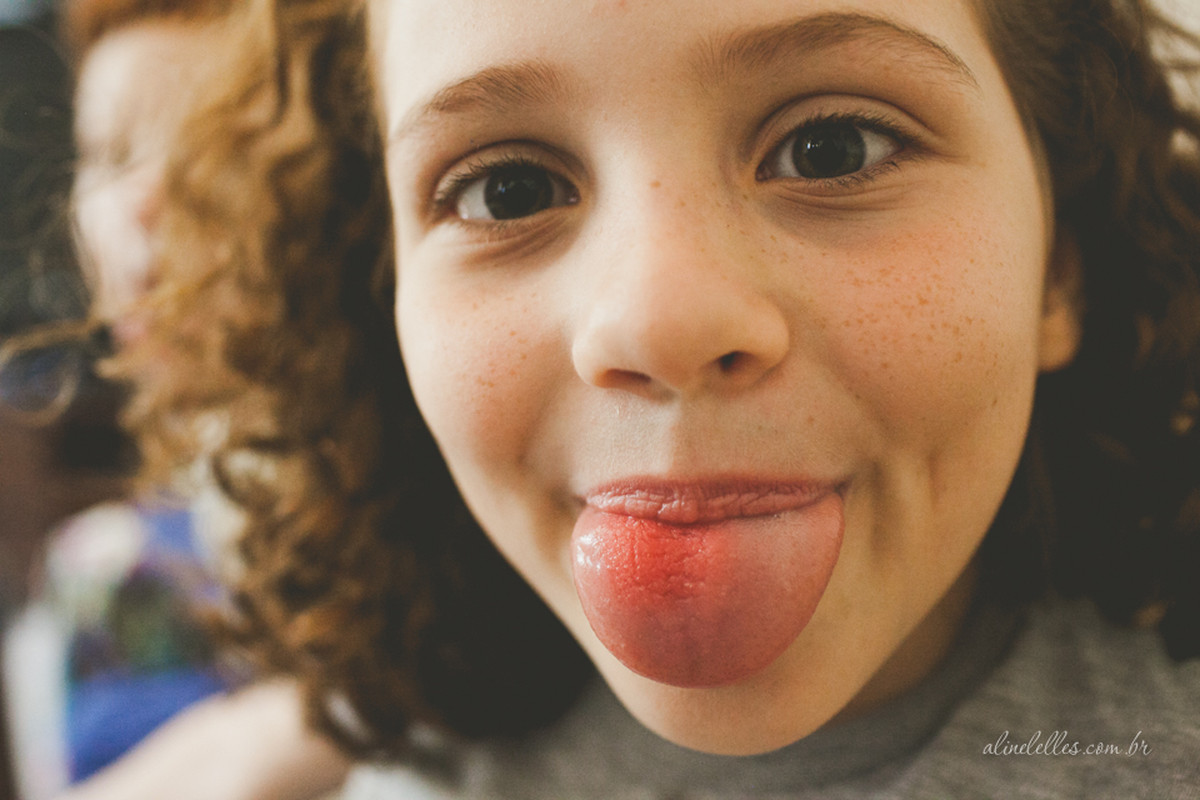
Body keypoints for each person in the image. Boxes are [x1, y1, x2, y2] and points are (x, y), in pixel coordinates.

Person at [118, 0, 1200, 796]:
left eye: (832, 147)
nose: (658, 322)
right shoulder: (417, 748)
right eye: (510, 189)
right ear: (381, 297)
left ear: (1062, 264)